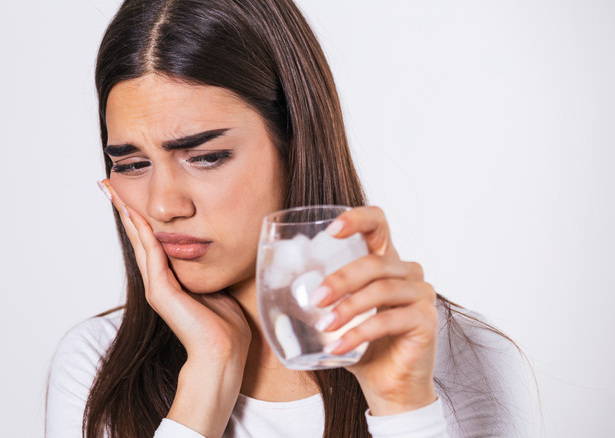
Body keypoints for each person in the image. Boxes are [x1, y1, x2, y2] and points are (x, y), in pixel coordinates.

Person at [46, 0, 536, 436]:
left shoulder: (467, 361)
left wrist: (403, 410)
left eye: (207, 157)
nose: (163, 206)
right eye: (132, 165)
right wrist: (206, 381)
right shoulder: (97, 367)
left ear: (296, 143)